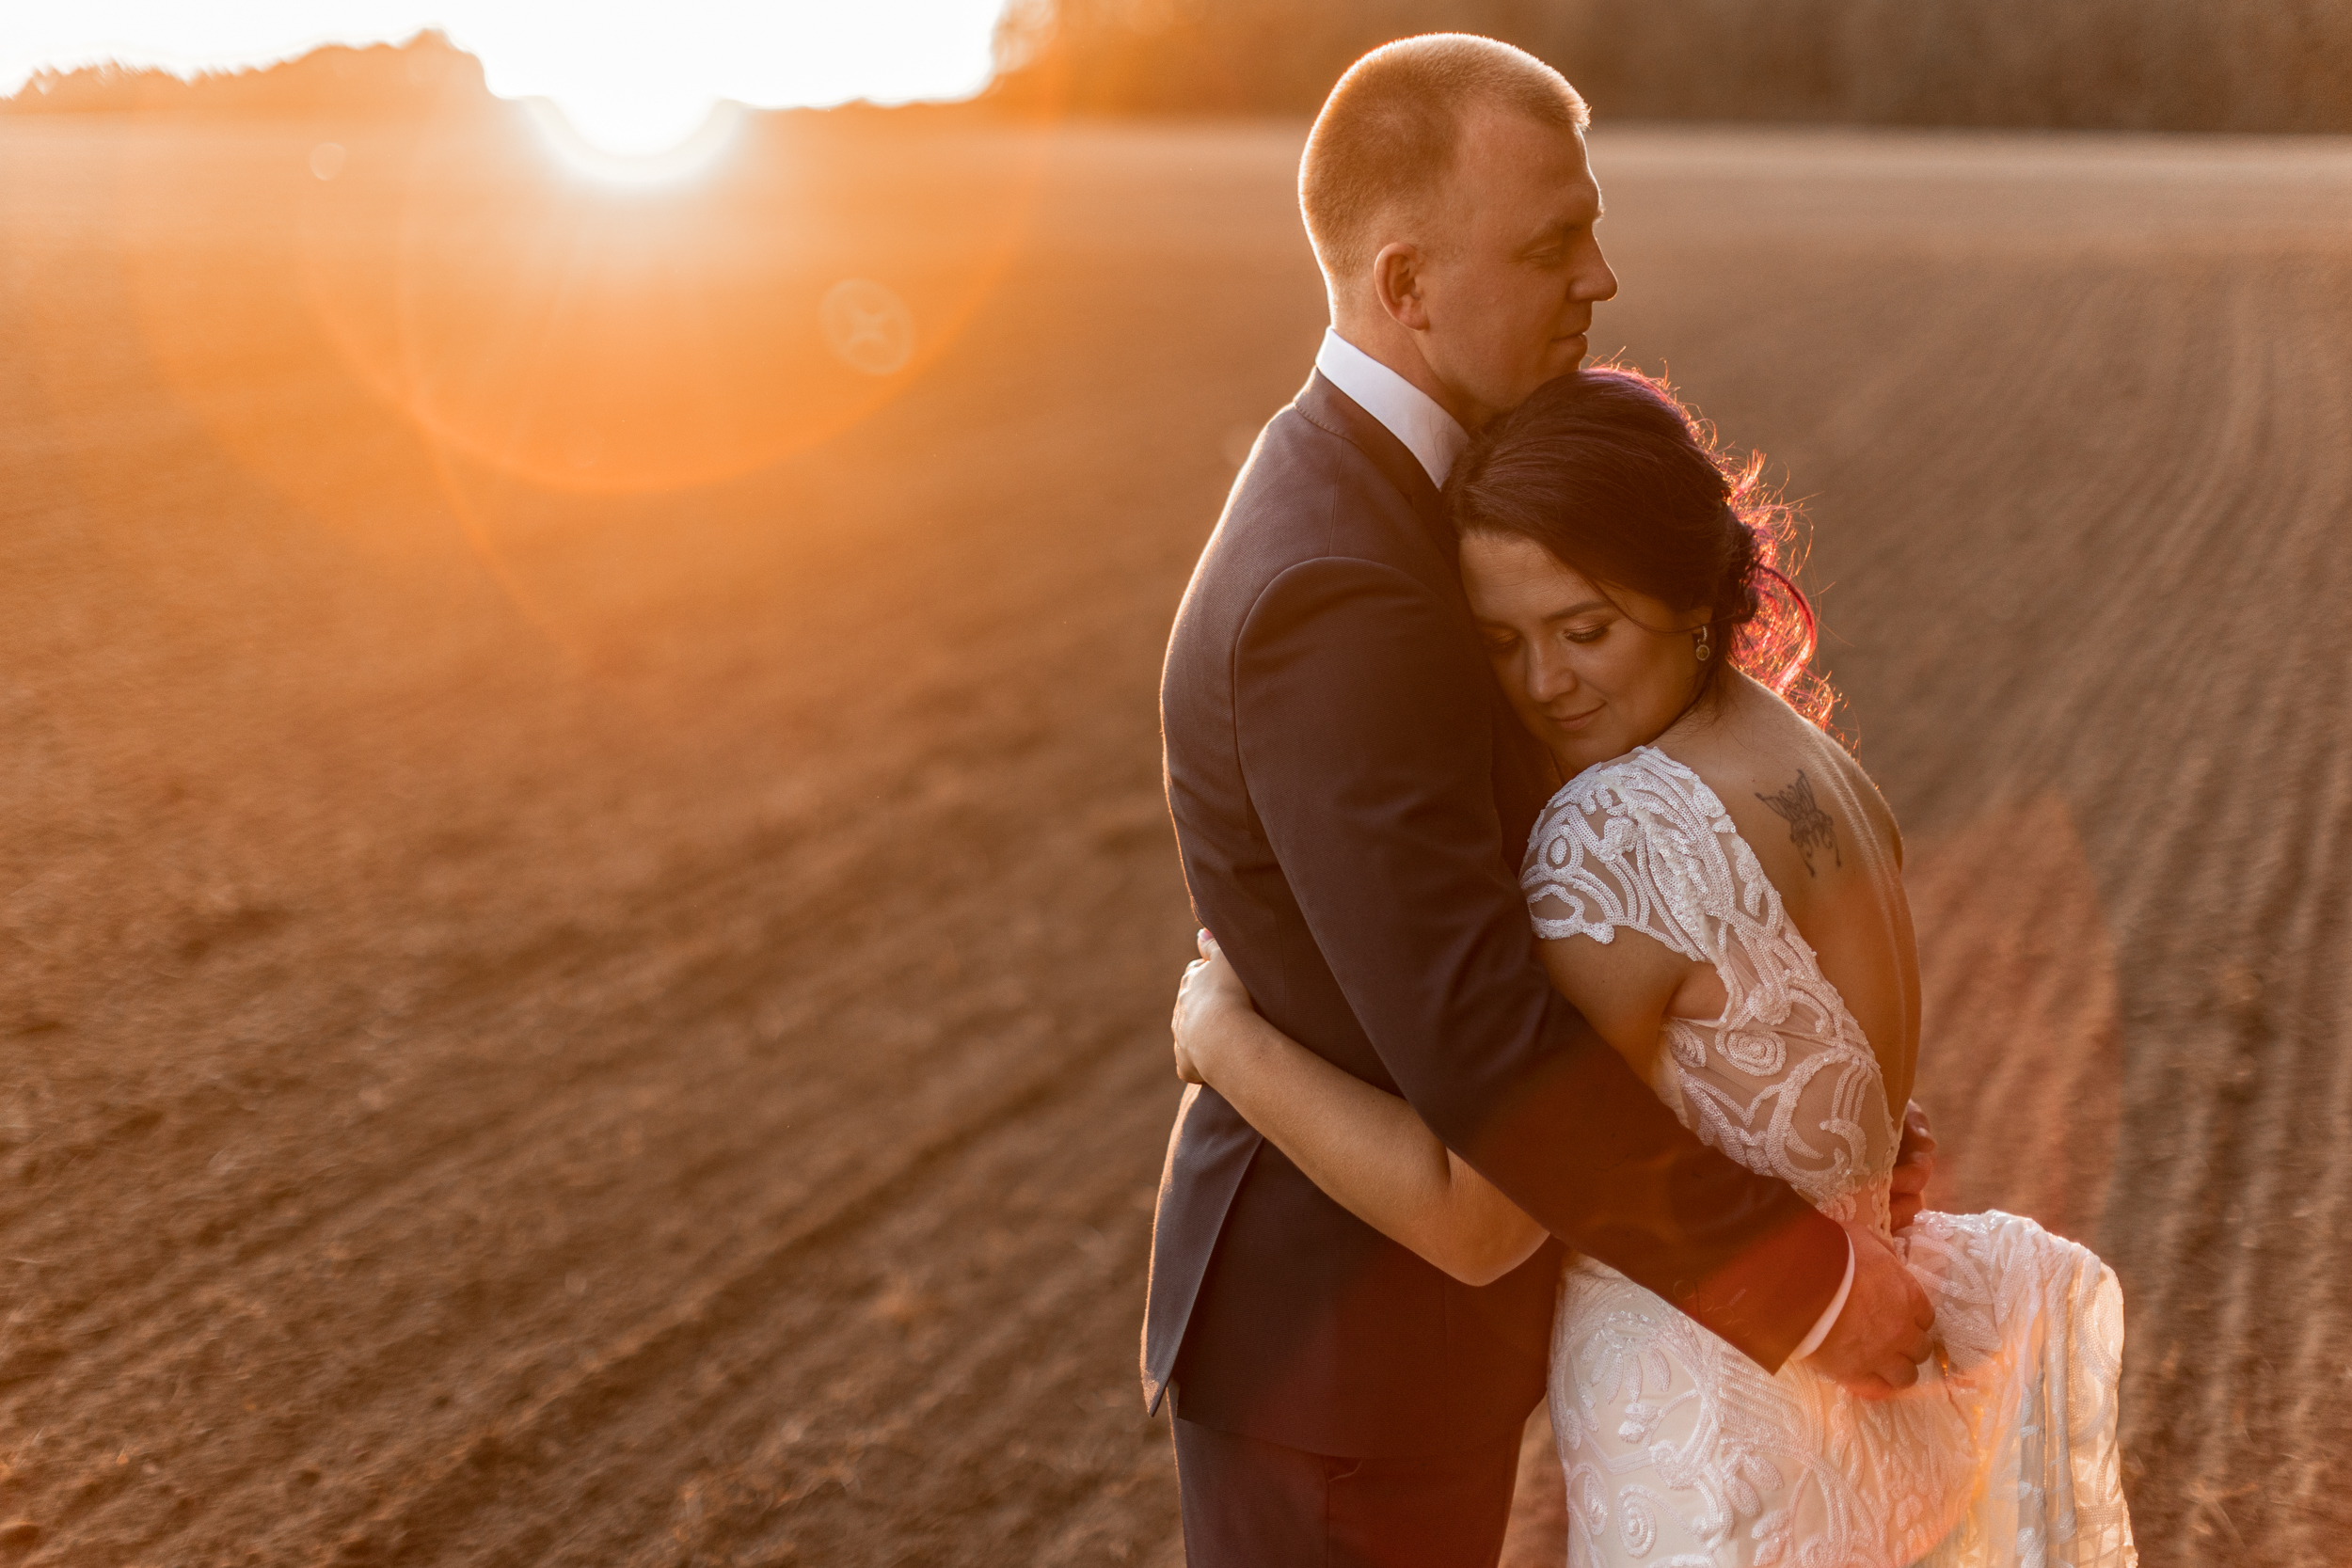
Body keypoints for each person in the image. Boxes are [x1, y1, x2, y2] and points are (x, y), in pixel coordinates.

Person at [1150, 33, 1942, 1568]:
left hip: (1422, 1350)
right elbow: (1485, 1052)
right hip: (1347, 1372)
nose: (1603, 277)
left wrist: (1806, 1117)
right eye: (1552, 241)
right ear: (1405, 284)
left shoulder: (1407, 504)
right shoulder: (1342, 583)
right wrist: (1811, 1281)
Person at [1170, 366, 2135, 1564]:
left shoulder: (1622, 834)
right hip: (1839, 1450)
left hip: (1709, 1457)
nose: (1542, 682)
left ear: (1694, 595)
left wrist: (1225, 1037)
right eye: (1501, 641)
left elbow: (1475, 1220)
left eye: (1585, 630)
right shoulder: (1815, 767)